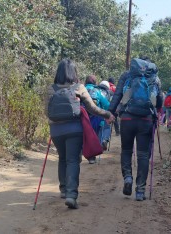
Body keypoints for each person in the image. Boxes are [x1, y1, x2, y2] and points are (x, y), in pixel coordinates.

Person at [46, 59, 114, 209]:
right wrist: (107, 114)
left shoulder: (51, 89)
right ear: (74, 72)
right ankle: (71, 195)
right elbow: (92, 109)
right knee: (72, 160)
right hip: (74, 129)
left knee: (62, 158)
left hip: (56, 131)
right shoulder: (79, 87)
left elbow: (47, 112)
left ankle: (63, 189)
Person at [108, 56, 163, 201]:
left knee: (126, 150)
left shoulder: (127, 75)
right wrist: (156, 111)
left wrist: (110, 112)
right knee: (143, 155)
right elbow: (159, 100)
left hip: (127, 118)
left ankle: (127, 178)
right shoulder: (155, 78)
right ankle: (140, 191)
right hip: (146, 119)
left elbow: (118, 95)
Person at [84, 75, 110, 164]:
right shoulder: (97, 91)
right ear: (95, 82)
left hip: (82, 117)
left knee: (83, 136)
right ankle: (92, 157)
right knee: (94, 136)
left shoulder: (80, 89)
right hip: (96, 118)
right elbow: (106, 104)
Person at [97, 80, 113, 150]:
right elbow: (109, 104)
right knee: (106, 127)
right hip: (105, 113)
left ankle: (98, 143)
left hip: (96, 113)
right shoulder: (109, 93)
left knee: (99, 129)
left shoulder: (96, 91)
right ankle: (105, 140)